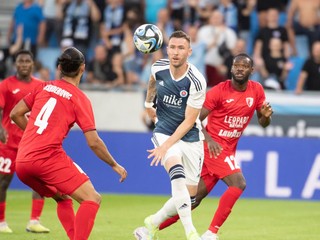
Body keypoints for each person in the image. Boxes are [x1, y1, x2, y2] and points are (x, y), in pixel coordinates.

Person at [149, 53, 274, 240]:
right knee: (239, 184)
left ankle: (150, 228)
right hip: (212, 146)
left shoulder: (256, 91)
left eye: (244, 66)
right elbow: (195, 119)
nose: (239, 68)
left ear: (251, 70)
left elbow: (264, 123)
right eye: (236, 65)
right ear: (231, 69)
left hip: (226, 149)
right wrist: (209, 140)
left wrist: (265, 116)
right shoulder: (219, 91)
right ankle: (211, 233)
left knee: (193, 199)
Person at [10, 47, 127, 240]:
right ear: (83, 68)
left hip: (22, 162)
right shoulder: (79, 99)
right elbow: (94, 142)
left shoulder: (43, 87)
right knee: (92, 198)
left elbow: (15, 113)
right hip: (47, 157)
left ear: (59, 68)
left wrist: (34, 134)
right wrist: (114, 164)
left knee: (62, 197)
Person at [133, 30, 207, 240]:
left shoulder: (196, 81)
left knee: (190, 196)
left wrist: (165, 147)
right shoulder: (158, 67)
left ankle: (153, 222)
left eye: (181, 48)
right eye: (172, 47)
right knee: (177, 175)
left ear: (189, 51)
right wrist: (148, 103)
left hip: (190, 135)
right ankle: (191, 233)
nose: (176, 52)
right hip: (163, 130)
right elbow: (152, 81)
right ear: (167, 49)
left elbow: (189, 121)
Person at [0, 50, 50, 234]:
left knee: (40, 181)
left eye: (27, 61)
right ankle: (1, 222)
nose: (24, 64)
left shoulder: (41, 86)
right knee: (3, 182)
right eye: (20, 61)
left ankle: (34, 221)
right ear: (15, 64)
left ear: (32, 64)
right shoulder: (6, 85)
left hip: (31, 143)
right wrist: (0, 128)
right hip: (8, 143)